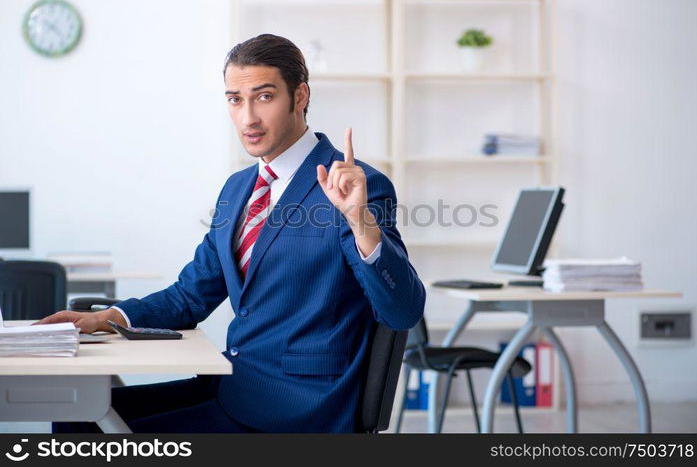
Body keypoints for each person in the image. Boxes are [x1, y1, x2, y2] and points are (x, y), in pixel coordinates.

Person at [36, 33, 426, 433]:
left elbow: (403, 311)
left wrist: (360, 221)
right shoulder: (239, 188)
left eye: (264, 97)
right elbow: (191, 295)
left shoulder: (356, 187)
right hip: (235, 384)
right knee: (76, 415)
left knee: (88, 428)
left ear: (301, 96)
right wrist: (106, 318)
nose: (248, 118)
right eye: (235, 100)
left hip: (300, 408)